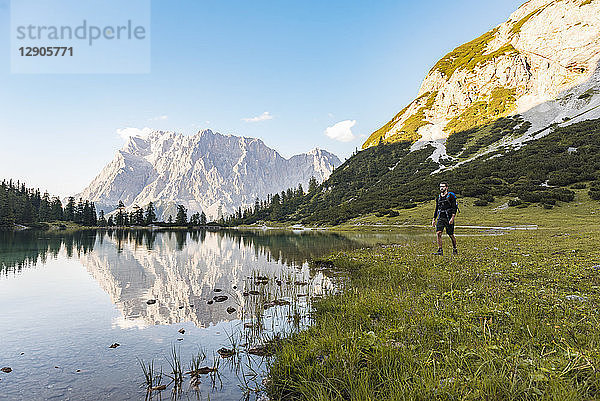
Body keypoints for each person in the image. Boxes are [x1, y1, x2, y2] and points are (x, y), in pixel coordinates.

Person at [431, 182, 458, 255]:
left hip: (448, 217)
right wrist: (434, 219)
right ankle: (440, 250)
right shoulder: (439, 197)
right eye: (440, 187)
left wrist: (452, 218)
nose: (441, 188)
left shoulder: (451, 196)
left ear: (446, 187)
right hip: (441, 217)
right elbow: (437, 208)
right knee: (438, 233)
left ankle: (455, 248)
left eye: (443, 187)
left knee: (451, 234)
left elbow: (454, 208)